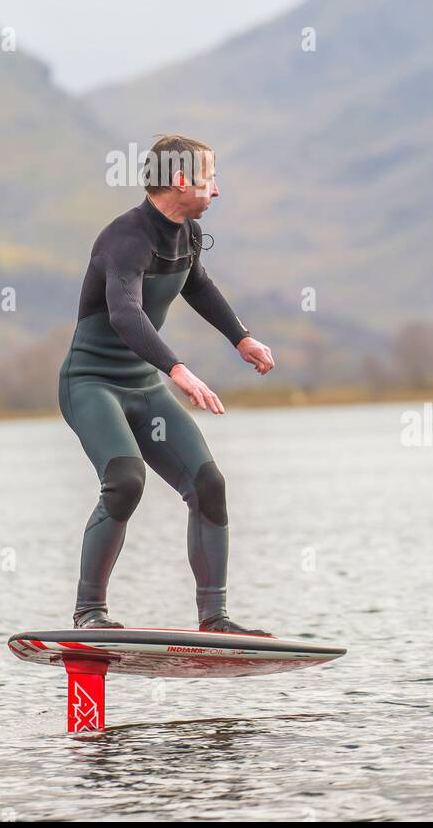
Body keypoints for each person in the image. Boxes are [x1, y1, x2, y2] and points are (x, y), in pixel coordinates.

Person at [58, 133, 275, 633]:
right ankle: (89, 615)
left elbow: (197, 284)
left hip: (144, 387)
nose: (217, 190)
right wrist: (178, 369)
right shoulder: (126, 239)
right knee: (126, 481)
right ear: (181, 181)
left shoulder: (188, 234)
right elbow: (125, 313)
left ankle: (214, 619)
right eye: (210, 178)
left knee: (209, 485)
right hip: (92, 383)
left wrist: (239, 339)